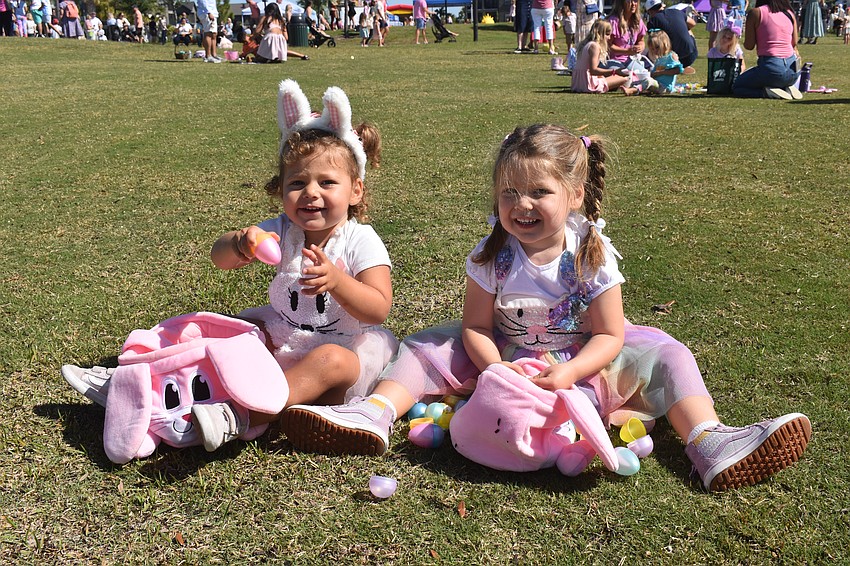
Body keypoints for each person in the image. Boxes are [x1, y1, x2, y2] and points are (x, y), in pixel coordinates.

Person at [279, 123, 812, 493]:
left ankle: (709, 441)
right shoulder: (491, 256)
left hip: (582, 357)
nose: (522, 205)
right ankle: (371, 415)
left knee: (668, 353)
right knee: (423, 347)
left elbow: (609, 334)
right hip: (506, 351)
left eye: (539, 191)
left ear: (575, 194)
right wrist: (496, 369)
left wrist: (569, 373)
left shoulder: (591, 255)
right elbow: (476, 326)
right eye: (508, 193)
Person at [63, 80, 397, 454]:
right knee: (227, 330)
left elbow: (378, 306)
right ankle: (144, 380)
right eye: (298, 182)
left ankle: (239, 415)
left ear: (356, 191)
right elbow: (218, 258)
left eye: (327, 182)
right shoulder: (285, 229)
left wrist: (337, 281)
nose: (311, 193)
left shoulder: (359, 240)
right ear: (280, 187)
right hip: (283, 332)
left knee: (330, 361)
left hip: (341, 349)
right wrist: (239, 243)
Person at [732, 0, 801, 99]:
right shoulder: (789, 13)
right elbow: (794, 42)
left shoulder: (756, 13)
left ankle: (766, 92)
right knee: (771, 76)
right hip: (793, 71)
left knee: (738, 86)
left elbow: (749, 45)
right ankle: (786, 87)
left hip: (771, 68)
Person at [571, 18, 637, 93]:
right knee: (625, 78)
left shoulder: (587, 44)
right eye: (607, 34)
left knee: (606, 77)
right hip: (589, 85)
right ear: (600, 33)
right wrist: (614, 71)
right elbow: (593, 70)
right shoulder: (595, 46)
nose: (609, 38)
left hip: (578, 83)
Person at [644, 0, 699, 67]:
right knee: (688, 29)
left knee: (656, 40)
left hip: (672, 59)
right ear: (662, 5)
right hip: (692, 54)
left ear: (649, 11)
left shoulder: (652, 22)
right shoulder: (676, 11)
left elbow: (653, 43)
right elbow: (693, 23)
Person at [607, 0, 647, 67]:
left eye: (635, 1)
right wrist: (626, 51)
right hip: (615, 61)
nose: (633, 4)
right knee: (622, 76)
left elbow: (641, 40)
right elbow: (607, 45)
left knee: (644, 75)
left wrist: (641, 47)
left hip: (632, 61)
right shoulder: (613, 21)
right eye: (630, 1)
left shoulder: (638, 21)